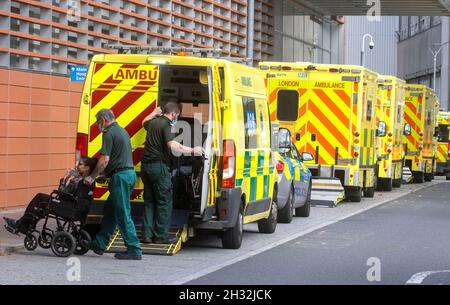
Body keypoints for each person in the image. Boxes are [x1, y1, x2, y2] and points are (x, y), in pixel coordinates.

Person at [141, 102, 204, 244]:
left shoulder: (153, 123)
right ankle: (160, 237)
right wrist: (193, 150)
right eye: (177, 116)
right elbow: (172, 145)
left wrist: (153, 113)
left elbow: (143, 122)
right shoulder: (166, 125)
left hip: (146, 167)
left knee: (149, 201)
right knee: (164, 202)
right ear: (174, 114)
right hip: (159, 168)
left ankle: (146, 236)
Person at [83, 109, 142, 260]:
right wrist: (105, 175)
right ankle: (99, 244)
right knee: (111, 212)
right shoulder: (122, 131)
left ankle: (134, 249)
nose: (98, 125)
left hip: (120, 178)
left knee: (122, 213)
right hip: (128, 175)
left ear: (103, 119)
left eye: (97, 122)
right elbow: (118, 158)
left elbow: (105, 159)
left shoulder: (108, 133)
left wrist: (92, 177)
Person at [3, 156, 98, 235]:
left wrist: (66, 177)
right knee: (43, 204)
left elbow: (63, 192)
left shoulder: (79, 180)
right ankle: (24, 225)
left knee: (40, 197)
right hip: (78, 210)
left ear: (87, 168)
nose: (77, 166)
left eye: (80, 164)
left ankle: (22, 225)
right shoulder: (89, 180)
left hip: (69, 208)